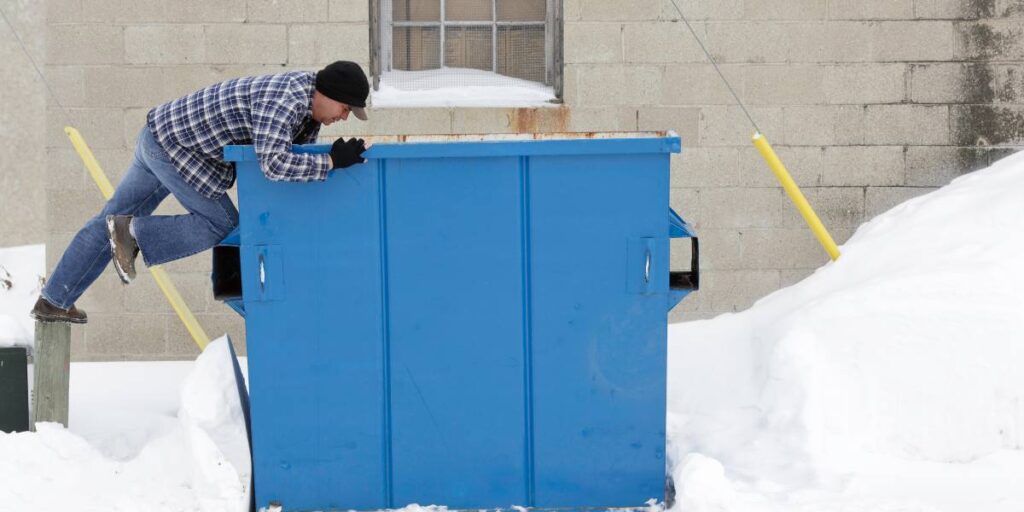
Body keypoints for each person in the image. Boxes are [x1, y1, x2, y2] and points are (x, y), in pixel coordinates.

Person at [30, 61, 372, 323]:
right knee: (220, 223)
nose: (344, 118)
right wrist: (330, 162)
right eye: (345, 109)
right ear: (329, 94)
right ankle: (133, 232)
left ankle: (53, 299)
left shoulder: (306, 111)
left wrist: (324, 163)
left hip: (161, 137)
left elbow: (286, 167)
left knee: (111, 218)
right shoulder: (286, 99)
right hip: (173, 148)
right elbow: (274, 165)